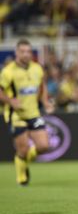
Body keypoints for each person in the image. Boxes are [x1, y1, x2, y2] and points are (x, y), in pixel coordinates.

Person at [0, 39, 55, 186]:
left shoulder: (37, 68)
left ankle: (23, 161)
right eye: (23, 51)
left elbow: (42, 86)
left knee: (44, 146)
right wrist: (10, 101)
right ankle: (22, 176)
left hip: (34, 113)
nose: (26, 54)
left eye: (28, 51)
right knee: (22, 149)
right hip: (16, 114)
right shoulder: (8, 71)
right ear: (16, 52)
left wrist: (45, 102)